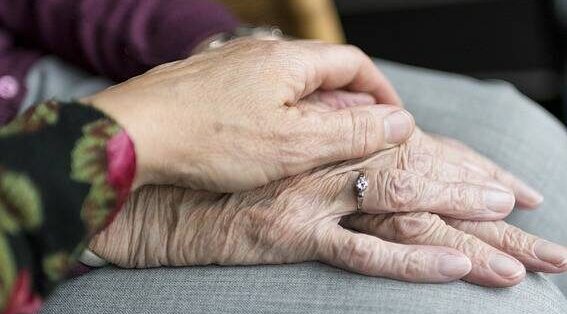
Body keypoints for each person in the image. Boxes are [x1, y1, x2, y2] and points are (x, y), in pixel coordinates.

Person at [1, 1, 567, 314]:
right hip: (36, 243)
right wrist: (139, 211)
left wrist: (226, 58)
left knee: (534, 156)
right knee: (493, 303)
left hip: (67, 75)